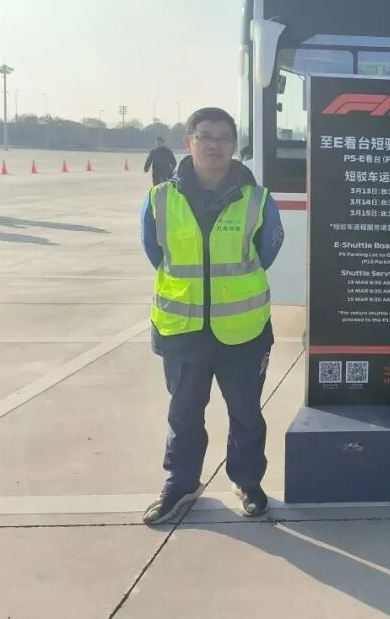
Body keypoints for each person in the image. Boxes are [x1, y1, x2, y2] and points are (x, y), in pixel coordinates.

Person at [140, 107, 284, 524]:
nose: (214, 145)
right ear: (188, 142)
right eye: (205, 136)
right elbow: (154, 251)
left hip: (243, 329)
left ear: (234, 145)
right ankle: (181, 483)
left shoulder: (258, 199)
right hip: (182, 329)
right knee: (184, 413)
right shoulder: (159, 198)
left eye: (223, 138)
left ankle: (247, 481)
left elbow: (267, 250)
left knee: (246, 412)